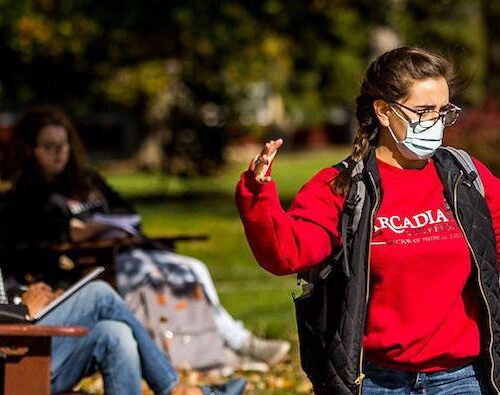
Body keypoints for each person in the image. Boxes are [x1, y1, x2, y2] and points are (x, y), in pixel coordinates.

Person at [236, 46, 500, 394]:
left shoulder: (464, 176)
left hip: (464, 379)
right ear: (384, 112)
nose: (435, 123)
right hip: (374, 380)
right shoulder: (341, 186)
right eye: (423, 111)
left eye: (442, 111)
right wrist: (258, 194)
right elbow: (288, 254)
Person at [0, 105, 290, 370]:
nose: (58, 153)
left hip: (130, 250)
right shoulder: (25, 198)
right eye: (48, 147)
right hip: (91, 267)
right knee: (157, 282)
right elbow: (32, 246)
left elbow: (127, 211)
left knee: (193, 269)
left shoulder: (86, 181)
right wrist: (73, 232)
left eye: (62, 145)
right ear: (29, 150)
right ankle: (226, 348)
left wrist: (102, 224)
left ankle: (236, 341)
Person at [19, 279, 246, 395]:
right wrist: (24, 312)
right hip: (13, 359)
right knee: (99, 294)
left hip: (21, 337)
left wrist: (30, 302)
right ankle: (175, 389)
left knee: (116, 334)